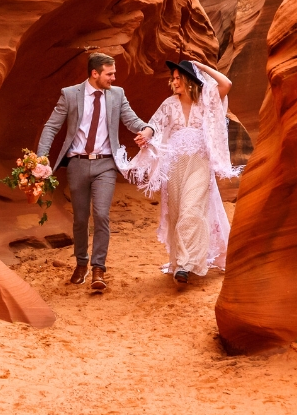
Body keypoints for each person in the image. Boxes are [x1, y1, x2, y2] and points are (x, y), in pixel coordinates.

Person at [37, 52, 154, 292]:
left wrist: (147, 129)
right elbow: (51, 126)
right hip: (78, 164)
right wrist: (41, 157)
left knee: (101, 214)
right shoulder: (70, 95)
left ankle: (98, 268)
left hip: (106, 164)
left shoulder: (117, 94)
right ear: (95, 73)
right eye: (109, 73)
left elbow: (131, 120)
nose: (113, 77)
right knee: (80, 219)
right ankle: (81, 263)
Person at [119, 59, 237, 284]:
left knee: (191, 210)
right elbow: (154, 124)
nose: (173, 82)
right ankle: (181, 262)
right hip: (173, 167)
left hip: (199, 165)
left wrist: (200, 67)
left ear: (190, 80)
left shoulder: (207, 100)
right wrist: (145, 135)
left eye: (178, 78)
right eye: (172, 78)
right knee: (177, 214)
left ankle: (185, 264)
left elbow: (226, 84)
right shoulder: (169, 104)